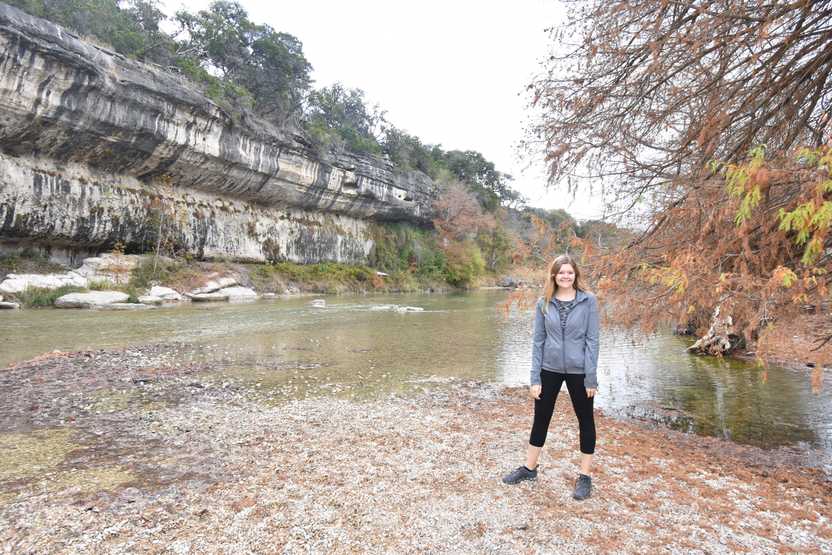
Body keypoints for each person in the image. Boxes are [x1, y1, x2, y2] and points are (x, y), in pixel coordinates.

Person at [502, 254, 600, 500]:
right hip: (549, 369)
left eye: (569, 272)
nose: (565, 276)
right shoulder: (544, 303)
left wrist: (591, 377)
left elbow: (593, 341)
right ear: (554, 275)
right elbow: (538, 342)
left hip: (579, 371)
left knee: (585, 420)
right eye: (561, 272)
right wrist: (535, 379)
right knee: (541, 418)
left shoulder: (588, 301)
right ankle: (529, 468)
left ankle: (585, 476)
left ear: (575, 274)